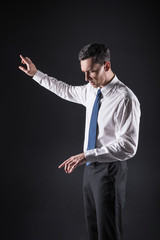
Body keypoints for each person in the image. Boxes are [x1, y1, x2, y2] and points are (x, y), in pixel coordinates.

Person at [19, 43, 141, 240]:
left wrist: (87, 155)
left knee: (108, 234)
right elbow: (64, 89)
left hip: (110, 172)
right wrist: (36, 74)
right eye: (84, 72)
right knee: (93, 232)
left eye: (91, 72)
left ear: (107, 66)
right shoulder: (91, 90)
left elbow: (128, 146)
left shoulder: (125, 98)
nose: (86, 78)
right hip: (90, 170)